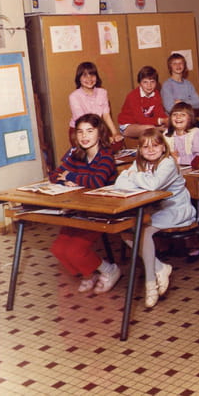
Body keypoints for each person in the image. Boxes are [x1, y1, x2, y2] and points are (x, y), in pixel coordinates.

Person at [115, 128, 196, 308]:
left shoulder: (168, 162)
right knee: (126, 231)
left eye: (155, 146)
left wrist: (133, 176)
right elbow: (119, 183)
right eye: (145, 147)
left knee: (143, 231)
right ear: (140, 149)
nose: (151, 150)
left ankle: (150, 283)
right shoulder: (140, 163)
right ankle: (160, 267)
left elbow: (153, 185)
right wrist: (137, 177)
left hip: (176, 209)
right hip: (156, 210)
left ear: (163, 147)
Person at [49, 114, 121, 294]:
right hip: (80, 210)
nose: (84, 136)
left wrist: (71, 176)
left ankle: (109, 270)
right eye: (80, 132)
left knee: (74, 250)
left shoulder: (105, 156)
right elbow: (54, 174)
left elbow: (97, 181)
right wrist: (65, 180)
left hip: (101, 212)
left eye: (89, 131)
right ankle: (89, 275)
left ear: (100, 133)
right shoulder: (77, 155)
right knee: (58, 249)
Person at [68, 62, 123, 145]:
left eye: (92, 75)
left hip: (98, 128)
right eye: (85, 75)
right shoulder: (74, 96)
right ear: (79, 78)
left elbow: (106, 116)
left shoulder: (103, 92)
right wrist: (102, 138)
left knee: (117, 144)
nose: (89, 78)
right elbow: (83, 122)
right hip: (81, 131)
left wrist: (115, 133)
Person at [117, 66, 168, 138]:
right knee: (150, 129)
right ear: (140, 83)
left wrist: (167, 121)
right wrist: (161, 121)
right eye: (145, 82)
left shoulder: (156, 94)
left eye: (152, 82)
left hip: (145, 123)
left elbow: (160, 113)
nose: (149, 85)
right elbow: (140, 119)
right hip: (128, 125)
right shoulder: (133, 96)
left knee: (168, 126)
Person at [165, 102, 199, 166]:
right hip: (174, 167)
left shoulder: (196, 133)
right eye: (174, 114)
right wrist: (169, 156)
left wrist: (178, 159)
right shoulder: (167, 134)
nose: (178, 117)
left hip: (194, 167)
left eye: (183, 115)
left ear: (190, 118)